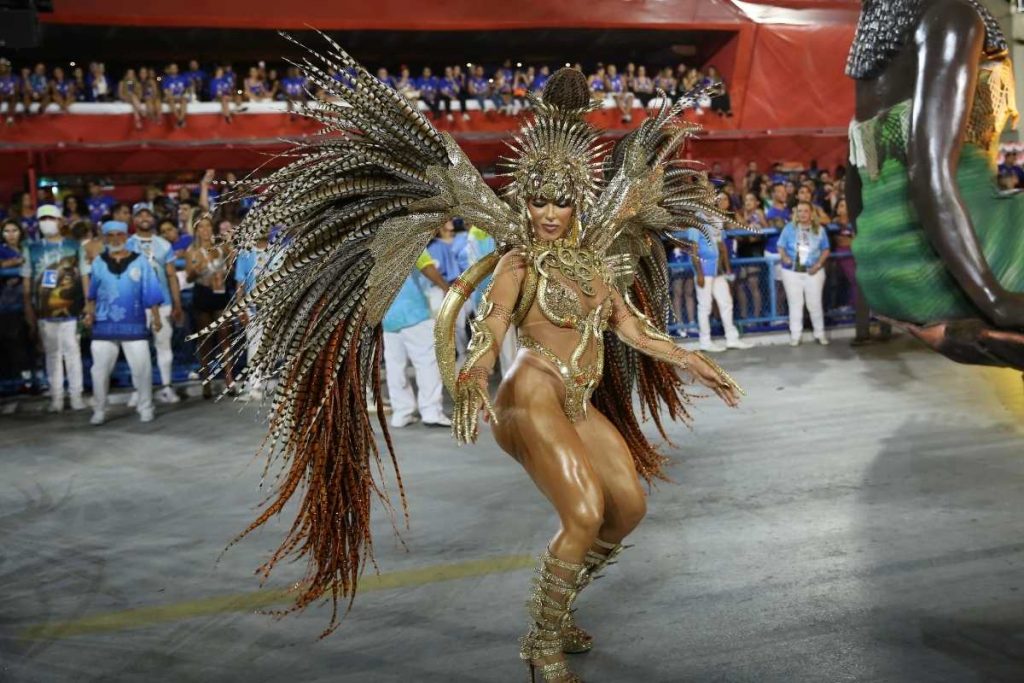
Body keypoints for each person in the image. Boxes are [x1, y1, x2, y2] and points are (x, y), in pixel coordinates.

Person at [202, 53, 743, 683]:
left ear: (577, 205)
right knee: (586, 513)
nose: (546, 212)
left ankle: (559, 602)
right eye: (537, 200)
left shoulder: (595, 266)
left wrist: (691, 359)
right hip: (529, 396)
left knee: (628, 509)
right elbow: (490, 321)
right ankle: (542, 640)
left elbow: (629, 326)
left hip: (576, 400)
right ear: (523, 199)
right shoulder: (517, 263)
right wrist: (473, 364)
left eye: (559, 203)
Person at [847, 0, 1024, 369]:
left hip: (884, 268)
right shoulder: (953, 16)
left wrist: (874, 257)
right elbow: (929, 170)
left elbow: (854, 169)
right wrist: (995, 299)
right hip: (948, 270)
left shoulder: (878, 44)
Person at [84, 221, 165, 425]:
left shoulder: (140, 261)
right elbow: (91, 294)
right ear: (104, 238)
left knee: (143, 368)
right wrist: (89, 314)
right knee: (99, 370)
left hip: (134, 323)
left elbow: (151, 291)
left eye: (119, 234)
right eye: (110, 235)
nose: (115, 239)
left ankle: (145, 407)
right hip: (103, 324)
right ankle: (99, 409)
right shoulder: (98, 263)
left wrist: (156, 317)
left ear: (126, 237)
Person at [21, 205, 85, 411]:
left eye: (51, 217)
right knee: (52, 354)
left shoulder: (74, 246)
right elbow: (27, 281)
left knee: (73, 352)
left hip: (72, 309)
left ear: (60, 221)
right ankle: (56, 397)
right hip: (43, 311)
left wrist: (88, 304)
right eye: (43, 218)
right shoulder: (31, 248)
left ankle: (76, 395)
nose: (46, 222)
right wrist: (29, 308)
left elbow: (84, 276)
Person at [382, 251, 452, 428]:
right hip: (413, 311)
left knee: (395, 366)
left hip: (387, 315)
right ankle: (431, 412)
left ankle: (401, 413)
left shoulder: (372, 241)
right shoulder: (408, 232)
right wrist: (446, 287)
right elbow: (425, 265)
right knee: (427, 362)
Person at [126, 203, 183, 403]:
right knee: (136, 349)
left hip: (163, 302)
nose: (144, 218)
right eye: (139, 215)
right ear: (133, 220)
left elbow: (171, 275)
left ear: (153, 219)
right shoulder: (127, 245)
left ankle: (167, 387)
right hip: (136, 305)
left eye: (147, 214)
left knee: (163, 345)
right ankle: (138, 389)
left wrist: (177, 304)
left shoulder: (164, 244)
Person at [686, 194, 752, 352]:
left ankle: (732, 338)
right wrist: (699, 273)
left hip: (718, 270)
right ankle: (705, 341)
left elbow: (721, 245)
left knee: (726, 302)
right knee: (705, 306)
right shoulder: (695, 221)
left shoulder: (717, 218)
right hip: (704, 270)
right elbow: (693, 249)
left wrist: (727, 268)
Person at [186, 216, 234, 398]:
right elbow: (189, 278)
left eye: (208, 226)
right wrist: (196, 270)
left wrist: (230, 256)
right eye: (201, 227)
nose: (205, 230)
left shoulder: (221, 247)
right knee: (205, 340)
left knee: (225, 337)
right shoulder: (192, 251)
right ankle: (206, 381)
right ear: (197, 230)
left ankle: (229, 380)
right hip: (202, 294)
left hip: (220, 293)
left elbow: (231, 268)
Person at [778, 201, 831, 346]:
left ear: (811, 213)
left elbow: (826, 249)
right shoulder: (789, 228)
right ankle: (796, 335)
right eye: (799, 211)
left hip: (813, 271)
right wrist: (785, 257)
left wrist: (818, 264)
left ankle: (820, 334)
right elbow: (780, 246)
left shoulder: (819, 230)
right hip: (792, 272)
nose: (802, 214)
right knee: (795, 304)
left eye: (805, 211)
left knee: (814, 304)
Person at [0, 219, 32, 392]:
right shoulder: (1, 250)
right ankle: (23, 380)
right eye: (7, 231)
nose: (11, 234)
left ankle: (38, 377)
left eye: (14, 230)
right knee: (15, 341)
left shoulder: (29, 247)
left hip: (31, 302)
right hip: (8, 305)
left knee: (33, 339)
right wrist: (15, 262)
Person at [162, 63, 190, 128]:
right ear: (169, 70)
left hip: (181, 96)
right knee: (171, 99)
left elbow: (188, 88)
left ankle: (179, 120)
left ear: (177, 69)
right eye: (172, 68)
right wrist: (170, 94)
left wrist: (185, 93)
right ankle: (181, 120)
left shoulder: (183, 77)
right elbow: (165, 91)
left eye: (175, 68)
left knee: (184, 99)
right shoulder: (166, 79)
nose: (173, 70)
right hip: (171, 97)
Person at [1, 58, 20, 126]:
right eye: (1, 66)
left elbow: (17, 89)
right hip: (1, 96)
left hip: (11, 96)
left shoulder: (14, 77)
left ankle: (10, 118)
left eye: (4, 66)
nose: (2, 67)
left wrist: (10, 94)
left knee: (13, 97)